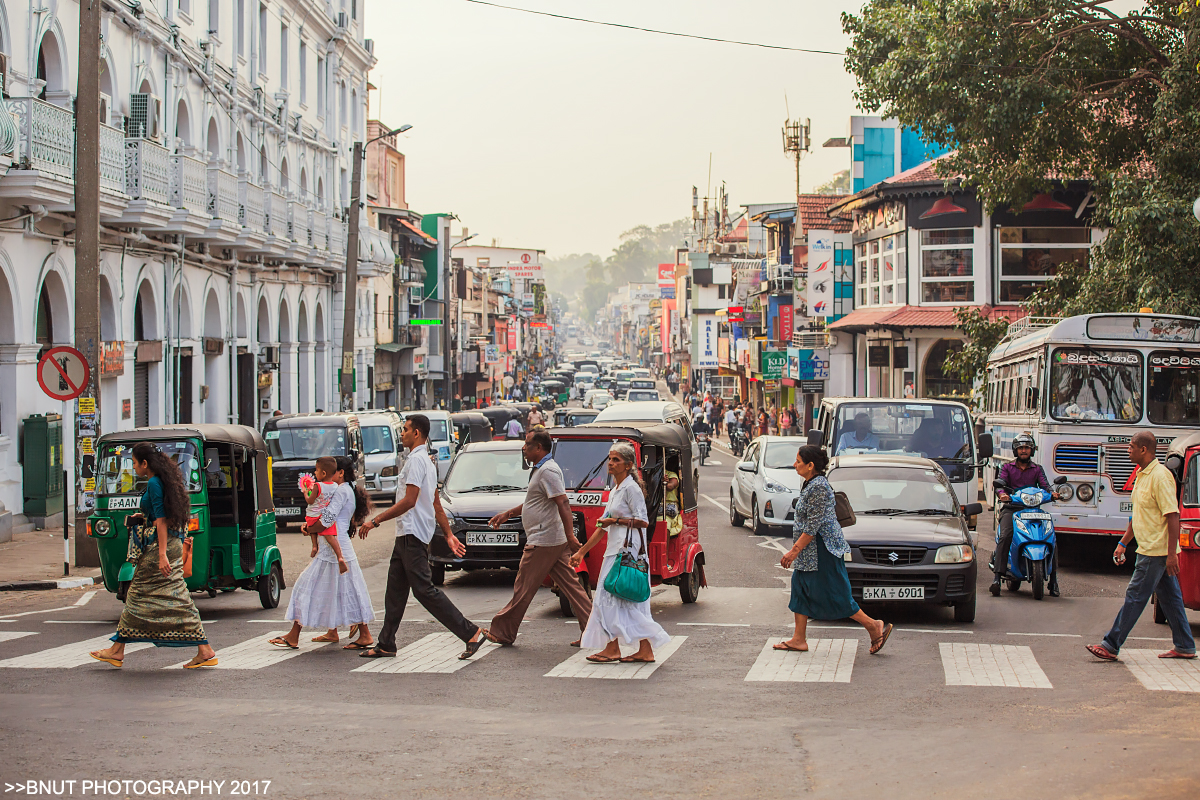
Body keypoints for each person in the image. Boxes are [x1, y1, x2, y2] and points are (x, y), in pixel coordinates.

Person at [356, 415, 488, 660]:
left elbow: (410, 500)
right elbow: (436, 502)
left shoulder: (417, 461)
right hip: (407, 534)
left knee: (424, 591)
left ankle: (471, 632)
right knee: (394, 592)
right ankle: (386, 643)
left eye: (405, 430)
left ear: (416, 433)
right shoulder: (426, 461)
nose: (402, 434)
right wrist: (448, 535)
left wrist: (375, 521)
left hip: (412, 535)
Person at [90, 442, 217, 669]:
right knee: (174, 595)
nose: (134, 467)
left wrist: (161, 555)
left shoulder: (154, 483)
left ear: (145, 463)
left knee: (139, 592)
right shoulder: (163, 482)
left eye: (135, 463)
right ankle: (204, 650)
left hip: (163, 545)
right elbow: (158, 514)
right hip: (170, 543)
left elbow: (162, 520)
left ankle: (117, 650)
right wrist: (144, 513)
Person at [1087, 431, 1196, 661]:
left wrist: (1171, 555)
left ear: (1143, 450)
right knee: (1171, 599)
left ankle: (1111, 644)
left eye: (1131, 446)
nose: (1128, 450)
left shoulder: (1160, 477)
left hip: (1155, 551)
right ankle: (1185, 645)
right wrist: (1122, 543)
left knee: (1135, 597)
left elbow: (1173, 515)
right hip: (1149, 548)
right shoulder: (1142, 474)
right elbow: (1138, 516)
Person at [775, 445, 893, 655]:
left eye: (798, 461)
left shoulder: (819, 487)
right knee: (800, 587)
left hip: (823, 549)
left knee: (836, 593)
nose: (795, 465)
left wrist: (793, 552)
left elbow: (812, 527)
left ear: (810, 465)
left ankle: (873, 626)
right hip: (810, 550)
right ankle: (799, 639)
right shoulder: (810, 484)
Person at [484, 430, 592, 645]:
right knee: (573, 588)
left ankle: (503, 631)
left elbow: (562, 502)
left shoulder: (548, 471)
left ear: (539, 448)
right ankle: (594, 632)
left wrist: (571, 536)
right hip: (552, 539)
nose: (524, 448)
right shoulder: (541, 470)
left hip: (544, 541)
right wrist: (508, 514)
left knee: (523, 586)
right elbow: (536, 502)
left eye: (527, 444)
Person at [570, 443, 670, 663]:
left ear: (629, 464)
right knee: (617, 600)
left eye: (616, 460)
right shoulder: (615, 490)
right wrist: (581, 552)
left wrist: (615, 520)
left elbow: (643, 521)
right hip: (615, 550)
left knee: (612, 598)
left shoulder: (631, 488)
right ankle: (638, 649)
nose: (611, 463)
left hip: (628, 553)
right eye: (610, 459)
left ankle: (615, 648)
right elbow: (602, 527)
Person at [270, 456, 377, 651]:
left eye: (334, 470)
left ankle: (294, 635)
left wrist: (309, 529)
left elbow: (327, 518)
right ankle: (342, 632)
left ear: (341, 473)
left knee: (306, 586)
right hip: (339, 548)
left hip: (333, 551)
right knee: (344, 589)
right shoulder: (346, 490)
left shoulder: (341, 491)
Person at [991, 433, 1056, 596]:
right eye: (1021, 448)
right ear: (1015, 450)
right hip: (1012, 509)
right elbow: (1000, 485)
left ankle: (1054, 581)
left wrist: (1053, 494)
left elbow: (1045, 486)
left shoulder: (1037, 469)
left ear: (1032, 450)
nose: (1024, 451)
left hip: (1034, 510)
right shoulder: (1007, 468)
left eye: (1027, 448)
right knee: (1006, 536)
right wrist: (1002, 495)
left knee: (1051, 537)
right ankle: (997, 579)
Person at [299, 457, 348, 574]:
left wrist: (306, 493)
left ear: (323, 473)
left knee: (312, 530)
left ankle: (314, 546)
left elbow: (310, 501)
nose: (315, 473)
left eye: (316, 470)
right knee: (331, 537)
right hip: (327, 516)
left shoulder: (317, 486)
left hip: (314, 515)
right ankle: (340, 556)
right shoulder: (336, 486)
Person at [662, 454, 683, 539]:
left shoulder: (671, 475)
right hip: (655, 507)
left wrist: (665, 483)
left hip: (669, 507)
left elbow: (671, 486)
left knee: (664, 523)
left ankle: (664, 551)